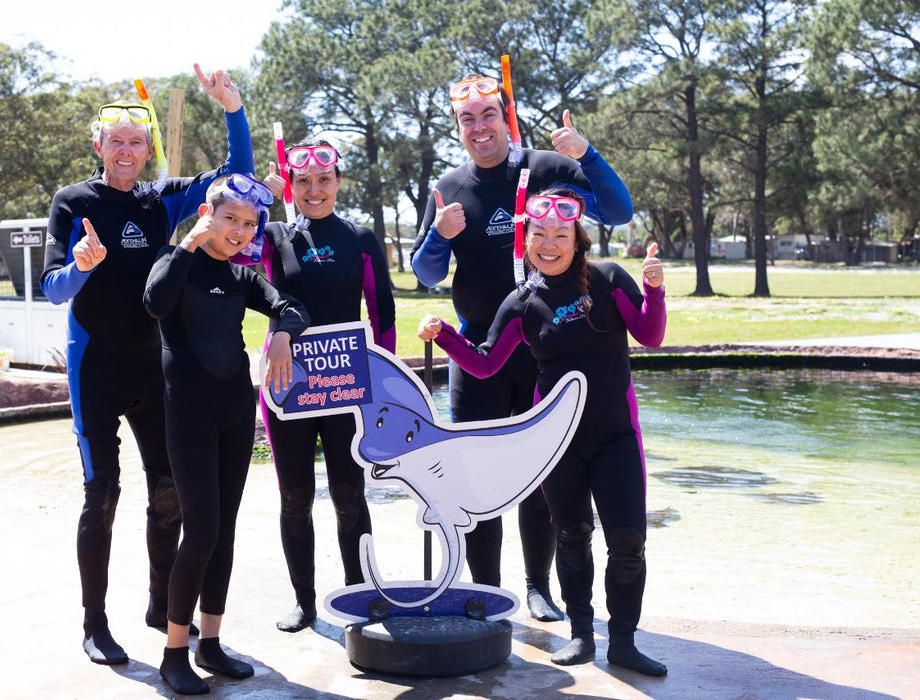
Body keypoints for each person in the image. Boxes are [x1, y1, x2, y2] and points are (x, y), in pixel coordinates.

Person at [40, 64, 252, 665]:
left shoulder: (163, 200)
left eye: (137, 141)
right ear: (98, 146)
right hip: (96, 368)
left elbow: (236, 178)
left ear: (148, 148)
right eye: (116, 141)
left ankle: (163, 605)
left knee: (170, 494)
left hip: (155, 370)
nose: (127, 150)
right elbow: (54, 289)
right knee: (100, 493)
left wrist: (232, 109)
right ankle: (94, 623)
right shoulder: (73, 202)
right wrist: (82, 264)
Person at [409, 73, 634, 621]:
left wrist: (590, 155)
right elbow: (426, 272)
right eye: (468, 119)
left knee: (539, 475)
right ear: (458, 127)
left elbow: (618, 211)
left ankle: (538, 586)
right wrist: (440, 232)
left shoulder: (550, 170)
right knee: (476, 478)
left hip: (544, 351)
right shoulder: (450, 185)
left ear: (505, 117)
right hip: (478, 354)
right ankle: (487, 589)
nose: (479, 127)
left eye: (489, 115)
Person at [418, 187, 667, 676]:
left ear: (577, 239)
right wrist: (446, 334)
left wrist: (655, 290)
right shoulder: (522, 303)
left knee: (628, 540)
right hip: (558, 443)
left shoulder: (608, 280)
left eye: (560, 234)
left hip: (617, 436)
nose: (549, 243)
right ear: (525, 240)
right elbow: (486, 364)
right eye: (540, 234)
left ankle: (623, 642)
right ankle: (580, 634)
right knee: (572, 535)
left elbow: (650, 334)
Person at [143, 174, 310, 694]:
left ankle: (211, 643)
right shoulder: (177, 263)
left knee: (225, 531)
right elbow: (155, 301)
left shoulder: (242, 278)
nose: (240, 231)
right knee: (202, 531)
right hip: (188, 414)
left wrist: (282, 333)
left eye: (248, 223)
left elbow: (291, 306)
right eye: (230, 219)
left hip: (237, 412)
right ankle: (175, 652)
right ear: (207, 216)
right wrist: (188, 243)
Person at [251, 140, 396, 632]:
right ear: (291, 184)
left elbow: (384, 313)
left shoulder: (360, 237)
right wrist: (256, 200)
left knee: (349, 494)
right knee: (294, 496)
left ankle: (360, 591)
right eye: (304, 182)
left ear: (338, 181)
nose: (314, 190)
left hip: (347, 387)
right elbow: (232, 258)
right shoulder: (272, 234)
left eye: (324, 180)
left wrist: (384, 379)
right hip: (286, 385)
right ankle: (304, 601)